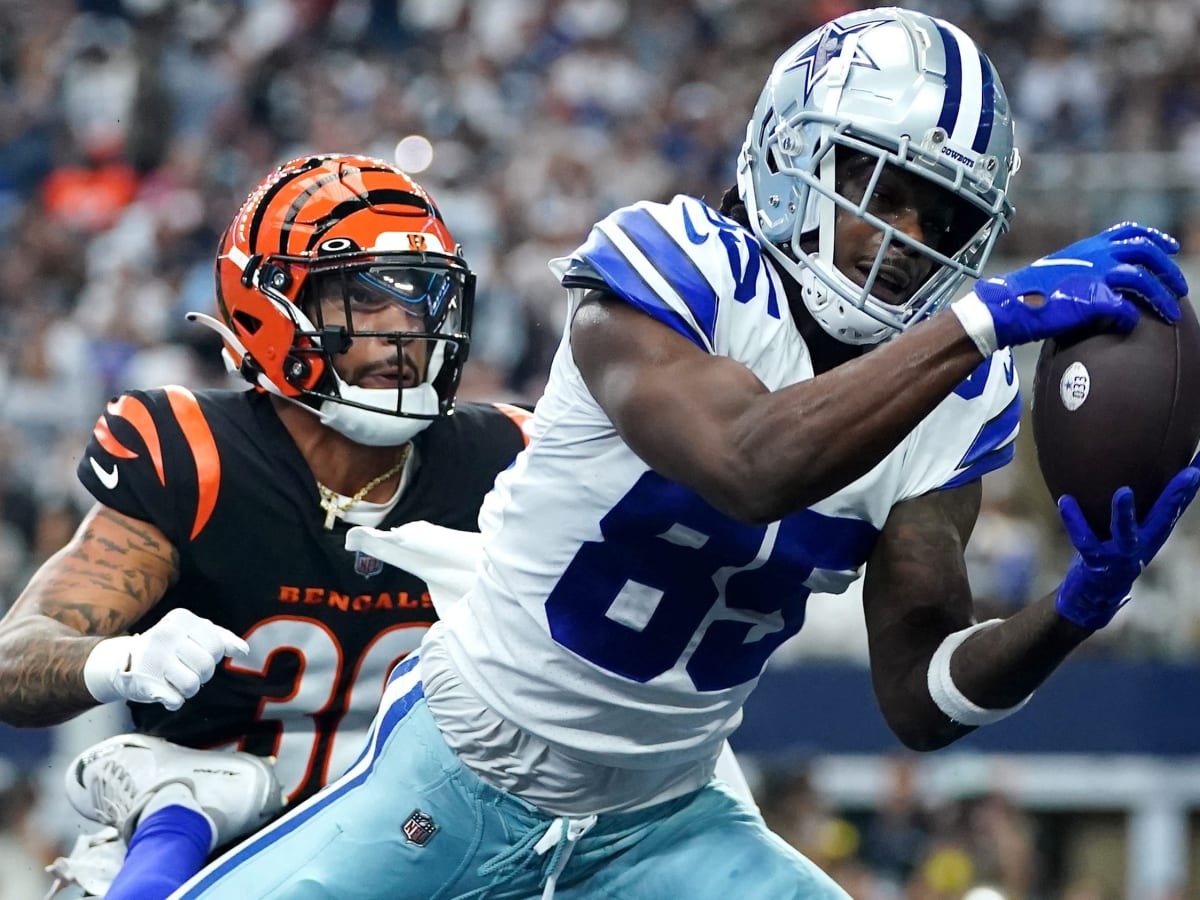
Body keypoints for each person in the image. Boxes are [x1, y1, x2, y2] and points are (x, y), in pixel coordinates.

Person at [168, 9, 1199, 900]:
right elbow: (751, 464)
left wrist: (1070, 613)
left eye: (941, 215)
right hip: (468, 766)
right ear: (792, 155)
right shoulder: (676, 269)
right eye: (875, 186)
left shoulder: (960, 394)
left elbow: (918, 697)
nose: (902, 237)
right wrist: (975, 321)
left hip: (666, 817)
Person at [0, 154, 531, 899]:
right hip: (215, 852)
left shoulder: (505, 463)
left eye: (418, 300)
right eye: (361, 299)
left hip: (427, 861)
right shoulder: (196, 458)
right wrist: (120, 662)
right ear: (271, 307)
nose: (401, 331)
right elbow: (14, 661)